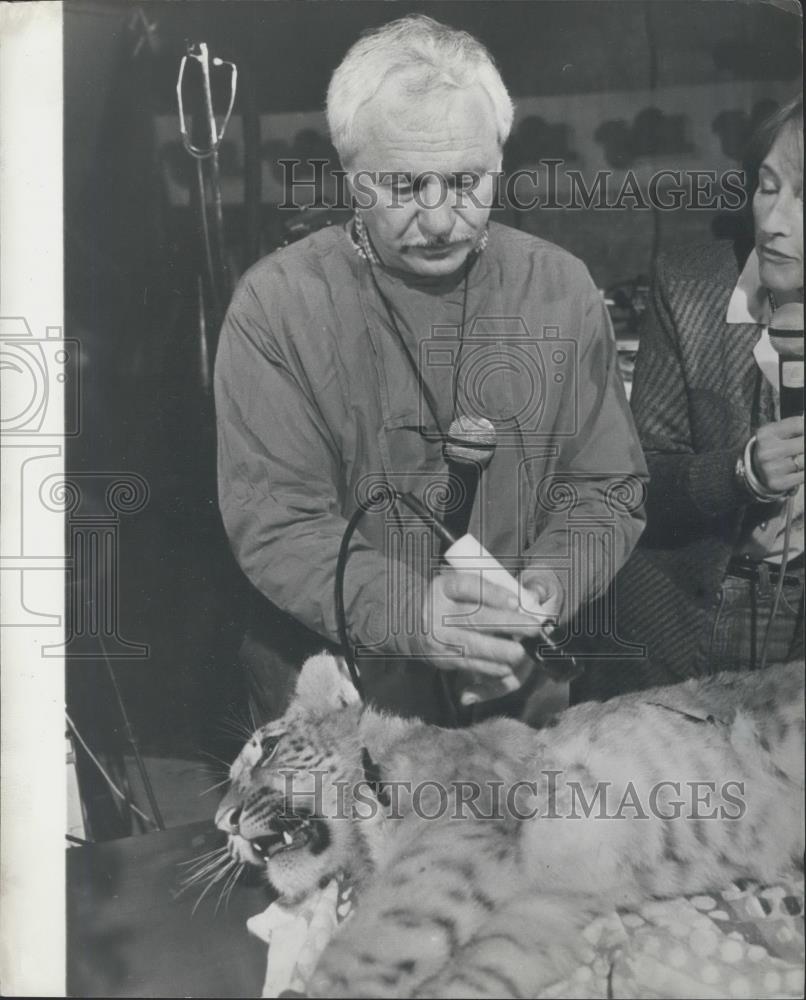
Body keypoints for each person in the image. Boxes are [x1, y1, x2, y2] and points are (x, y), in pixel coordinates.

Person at [215, 15, 647, 725]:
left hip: (517, 685)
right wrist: (416, 614)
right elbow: (279, 523)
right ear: (352, 179)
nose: (443, 219)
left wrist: (545, 589)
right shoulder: (276, 306)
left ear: (499, 164)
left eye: (467, 181)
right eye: (407, 185)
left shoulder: (560, 288)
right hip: (341, 694)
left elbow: (604, 488)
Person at [574, 96, 804, 702]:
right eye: (767, 186)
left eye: (804, 197)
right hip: (688, 615)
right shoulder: (693, 287)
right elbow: (636, 480)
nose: (774, 220)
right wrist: (741, 473)